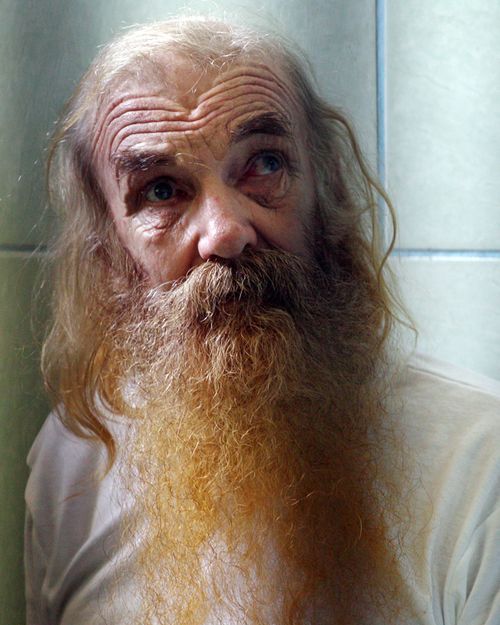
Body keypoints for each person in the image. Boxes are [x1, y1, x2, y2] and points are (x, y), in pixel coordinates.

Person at [25, 17, 499, 625]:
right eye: (163, 191)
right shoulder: (75, 460)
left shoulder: (479, 460)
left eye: (265, 164)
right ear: (111, 255)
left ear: (326, 193)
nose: (224, 232)